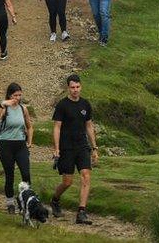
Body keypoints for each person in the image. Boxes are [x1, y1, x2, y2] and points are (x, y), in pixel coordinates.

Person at [50, 74, 98, 225]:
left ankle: (81, 212)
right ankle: (55, 200)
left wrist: (94, 147)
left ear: (81, 86)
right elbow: (57, 127)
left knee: (86, 176)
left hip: (82, 146)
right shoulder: (62, 105)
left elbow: (89, 126)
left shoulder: (85, 104)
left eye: (77, 87)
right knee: (67, 182)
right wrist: (57, 148)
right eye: (72, 87)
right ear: (68, 88)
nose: (75, 90)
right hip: (67, 148)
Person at [0, 82, 33, 214]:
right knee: (9, 175)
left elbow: (29, 126)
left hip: (20, 144)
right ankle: (10, 202)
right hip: (6, 144)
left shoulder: (23, 109)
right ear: (10, 95)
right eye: (15, 95)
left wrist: (29, 142)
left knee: (26, 173)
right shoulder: (4, 108)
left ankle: (25, 200)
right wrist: (2, 105)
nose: (18, 98)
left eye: (20, 95)